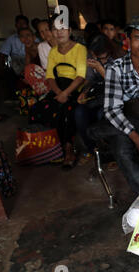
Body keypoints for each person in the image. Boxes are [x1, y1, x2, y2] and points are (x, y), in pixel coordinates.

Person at [88, 15, 139, 195]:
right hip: (125, 124)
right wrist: (137, 138)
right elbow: (112, 110)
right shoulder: (115, 69)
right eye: (137, 38)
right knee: (123, 147)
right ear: (128, 40)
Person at [43, 17, 87, 169]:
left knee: (66, 110)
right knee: (43, 108)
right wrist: (58, 93)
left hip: (75, 88)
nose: (59, 32)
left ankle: (68, 149)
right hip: (58, 88)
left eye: (63, 28)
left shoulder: (80, 49)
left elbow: (81, 76)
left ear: (69, 31)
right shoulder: (53, 52)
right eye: (55, 29)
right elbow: (50, 76)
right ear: (52, 32)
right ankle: (51, 148)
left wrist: (65, 93)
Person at [75, 33, 117, 165]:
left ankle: (110, 153)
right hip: (96, 96)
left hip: (113, 97)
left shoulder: (118, 58)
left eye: (104, 58)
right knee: (79, 113)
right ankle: (93, 150)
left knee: (102, 115)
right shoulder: (91, 57)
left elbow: (117, 84)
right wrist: (84, 92)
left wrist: (100, 68)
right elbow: (90, 79)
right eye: (98, 57)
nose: (101, 61)